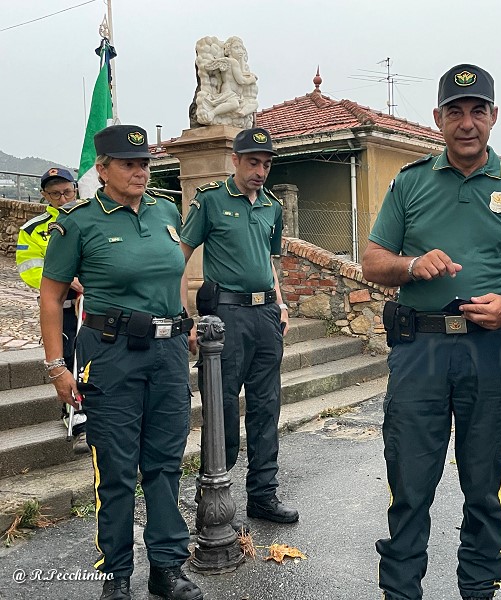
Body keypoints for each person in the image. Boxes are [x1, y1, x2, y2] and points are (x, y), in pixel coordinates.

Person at [362, 64, 501, 600]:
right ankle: (401, 591)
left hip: (491, 349)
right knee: (409, 482)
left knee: (485, 485)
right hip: (419, 349)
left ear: (494, 116)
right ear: (438, 118)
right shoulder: (410, 182)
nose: (467, 123)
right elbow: (372, 261)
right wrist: (411, 265)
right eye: (455, 112)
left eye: (477, 111)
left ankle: (479, 590)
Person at [39, 125, 201, 600]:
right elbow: (51, 297)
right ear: (103, 169)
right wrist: (56, 366)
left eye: (144, 163)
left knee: (165, 463)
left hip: (168, 354)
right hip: (111, 355)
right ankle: (116, 573)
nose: (140, 171)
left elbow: (173, 275)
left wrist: (185, 321)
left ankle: (166, 569)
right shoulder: (79, 222)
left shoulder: (165, 211)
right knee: (115, 468)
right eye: (129, 164)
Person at [180, 126, 294, 527]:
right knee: (223, 406)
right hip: (226, 317)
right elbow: (180, 256)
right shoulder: (211, 200)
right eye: (253, 162)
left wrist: (280, 303)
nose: (260, 171)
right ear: (236, 160)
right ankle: (213, 493)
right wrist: (186, 317)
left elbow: (269, 260)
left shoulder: (272, 207)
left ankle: (263, 495)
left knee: (266, 407)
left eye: (266, 164)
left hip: (265, 316)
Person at [16, 168, 88, 453]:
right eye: (55, 194)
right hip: (62, 306)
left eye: (67, 191)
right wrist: (65, 279)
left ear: (75, 189)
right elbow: (29, 269)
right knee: (68, 357)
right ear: (44, 196)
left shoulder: (91, 217)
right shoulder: (33, 229)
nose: (62, 198)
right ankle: (75, 415)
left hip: (95, 303)